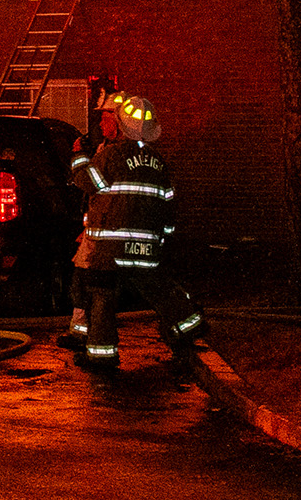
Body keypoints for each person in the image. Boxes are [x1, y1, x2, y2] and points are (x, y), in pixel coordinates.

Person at [61, 93, 205, 372]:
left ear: (121, 124)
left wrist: (78, 156)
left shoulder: (112, 155)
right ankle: (190, 326)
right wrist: (163, 238)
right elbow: (168, 204)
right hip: (147, 245)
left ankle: (101, 357)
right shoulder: (159, 162)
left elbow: (86, 181)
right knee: (158, 289)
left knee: (102, 297)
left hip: (110, 247)